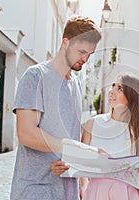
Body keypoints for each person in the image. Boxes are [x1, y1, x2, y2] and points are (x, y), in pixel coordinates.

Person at [11, 16, 101, 200]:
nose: (85, 59)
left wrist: (82, 178)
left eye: (90, 54)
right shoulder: (36, 76)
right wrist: (75, 149)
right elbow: (26, 133)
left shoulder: (75, 84)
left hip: (68, 190)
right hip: (37, 189)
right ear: (65, 43)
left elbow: (69, 137)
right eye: (81, 51)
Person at [51, 74, 139, 200]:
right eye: (113, 86)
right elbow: (79, 162)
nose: (111, 91)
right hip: (96, 192)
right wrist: (83, 185)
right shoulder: (93, 124)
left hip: (129, 194)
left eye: (120, 89)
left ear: (133, 97)